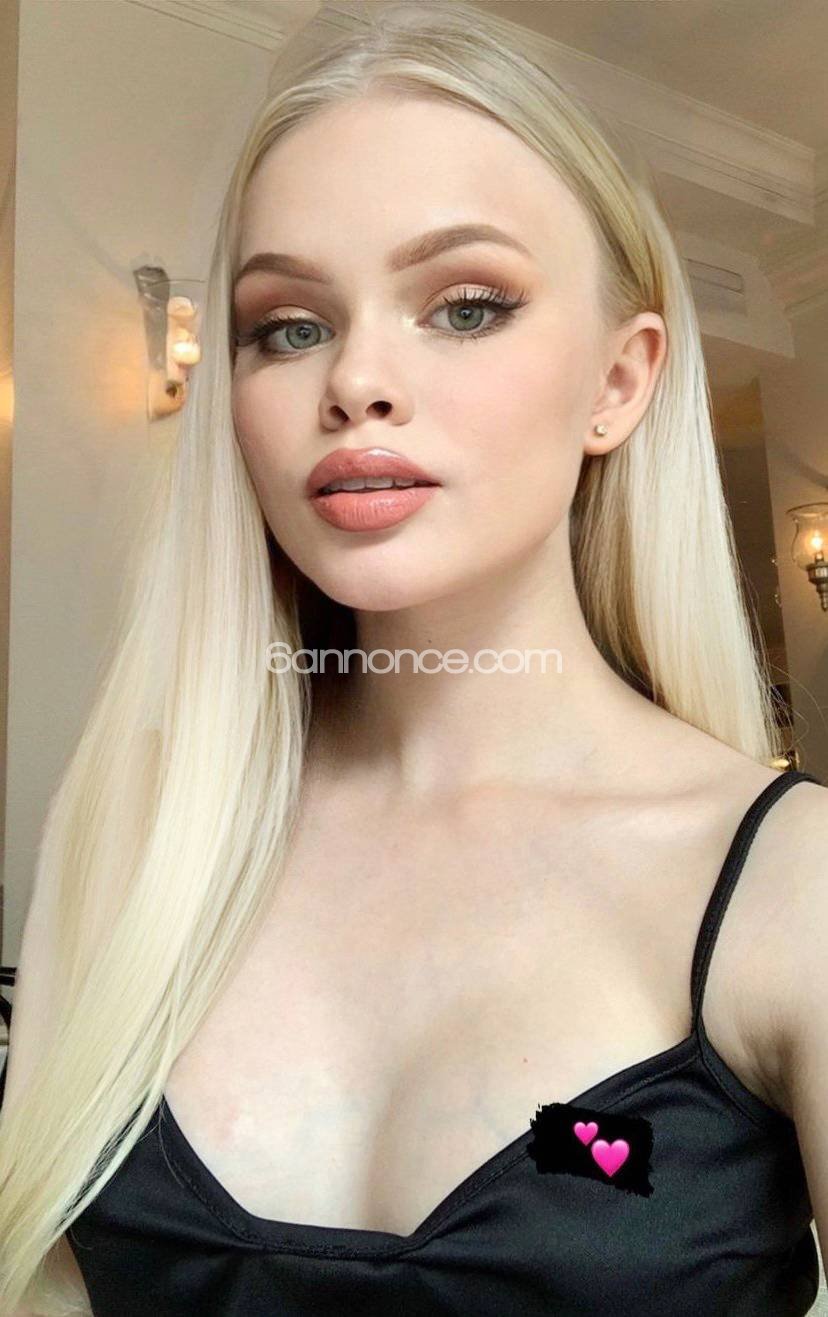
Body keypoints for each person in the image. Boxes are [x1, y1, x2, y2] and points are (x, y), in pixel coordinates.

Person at [1, 2, 826, 1313]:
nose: (357, 381)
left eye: (466, 306)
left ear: (619, 381)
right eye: (290, 325)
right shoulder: (132, 836)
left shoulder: (795, 885)